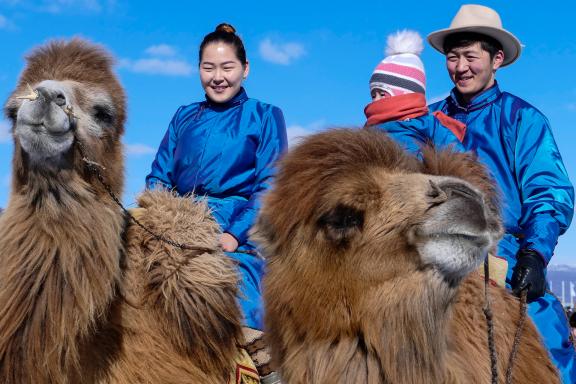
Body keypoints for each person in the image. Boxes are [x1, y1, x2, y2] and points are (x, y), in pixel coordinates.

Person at [426, 5, 575, 382]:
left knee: (550, 346)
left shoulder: (523, 120)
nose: (460, 67)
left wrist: (535, 254)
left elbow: (549, 192)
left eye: (470, 57)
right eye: (452, 57)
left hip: (501, 256)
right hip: (430, 252)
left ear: (496, 60)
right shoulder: (427, 120)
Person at [146, 23, 287, 382]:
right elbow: (159, 176)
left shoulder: (265, 116)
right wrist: (153, 216)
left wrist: (235, 236)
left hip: (236, 224)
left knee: (237, 282)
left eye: (227, 68)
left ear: (245, 68)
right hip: (175, 220)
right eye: (209, 68)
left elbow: (269, 186)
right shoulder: (183, 116)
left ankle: (264, 371)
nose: (218, 78)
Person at [364, 29, 465, 154]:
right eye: (373, 95)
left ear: (406, 96)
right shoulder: (370, 129)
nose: (376, 101)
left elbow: (455, 151)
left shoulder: (426, 122)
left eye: (383, 94)